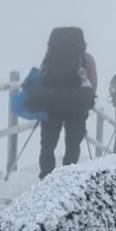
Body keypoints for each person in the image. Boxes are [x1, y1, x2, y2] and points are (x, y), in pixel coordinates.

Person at [37, 27, 97, 178]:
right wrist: (86, 100)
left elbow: (40, 79)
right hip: (76, 108)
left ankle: (46, 177)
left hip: (52, 105)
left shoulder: (49, 57)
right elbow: (92, 84)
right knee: (72, 145)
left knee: (48, 145)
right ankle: (67, 177)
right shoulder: (85, 59)